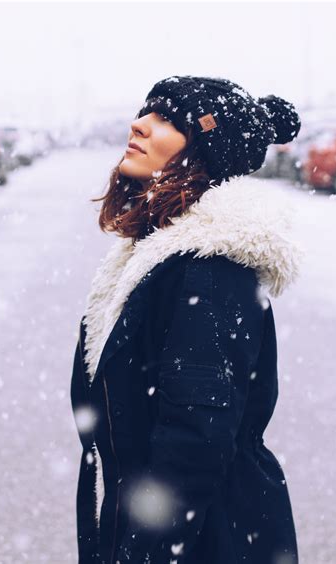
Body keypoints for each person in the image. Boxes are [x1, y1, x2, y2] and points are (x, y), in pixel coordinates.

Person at [70, 75, 305, 564]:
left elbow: (196, 440)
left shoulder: (210, 270)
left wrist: (144, 549)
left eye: (166, 120)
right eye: (145, 111)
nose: (139, 124)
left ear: (204, 153)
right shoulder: (160, 254)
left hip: (206, 540)